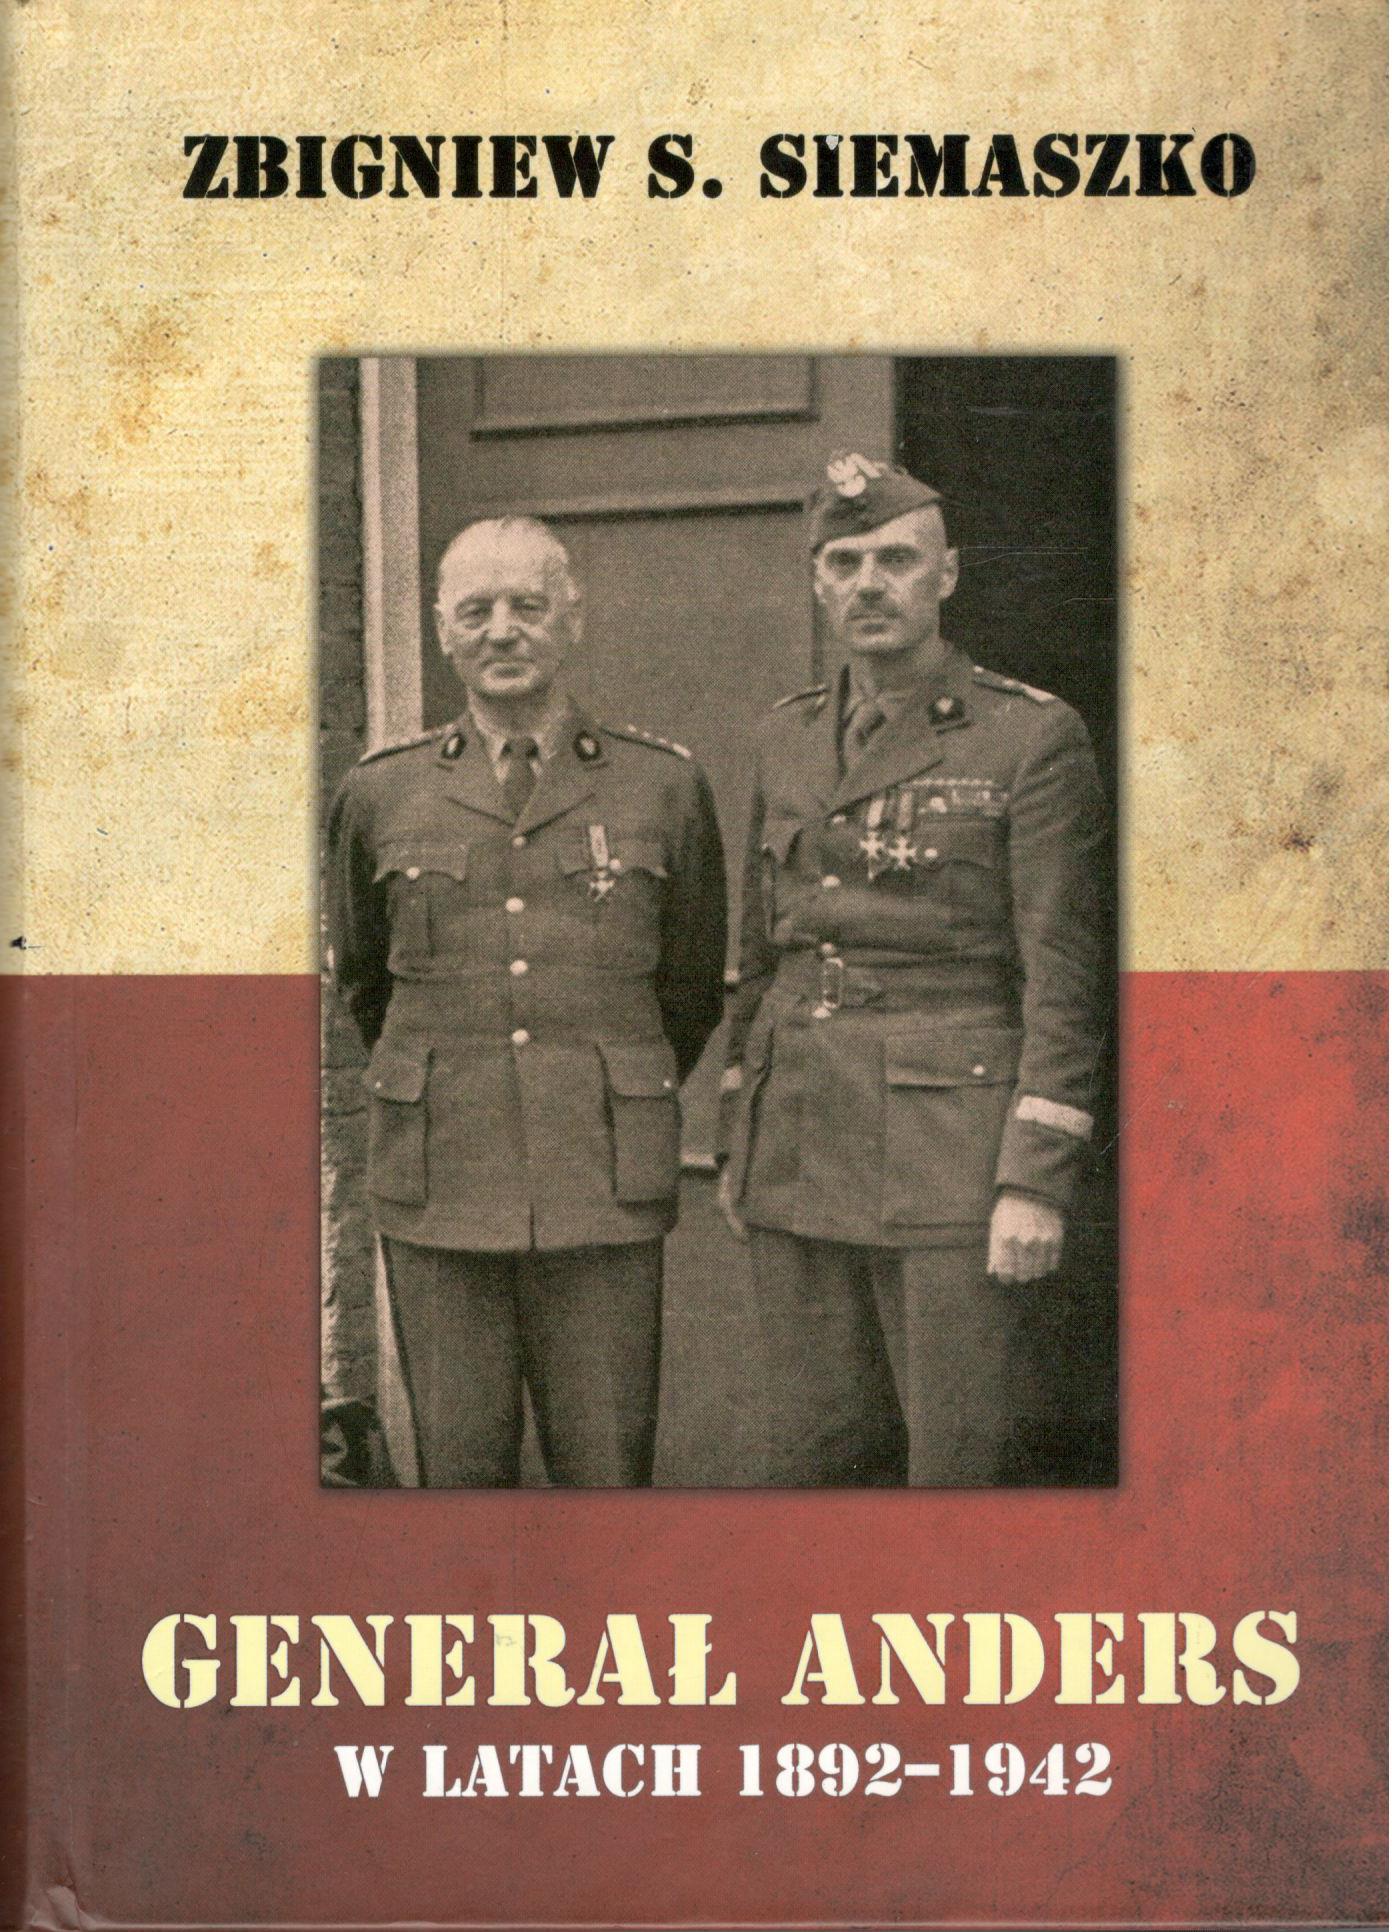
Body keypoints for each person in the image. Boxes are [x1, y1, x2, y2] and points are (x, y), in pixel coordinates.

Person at [718, 453, 1106, 1486]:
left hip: (951, 1157)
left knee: (955, 1466)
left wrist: (1034, 1179)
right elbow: (759, 951)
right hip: (797, 1147)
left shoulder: (1028, 737)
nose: (869, 584)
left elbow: (1063, 978)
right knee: (815, 1461)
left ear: (948, 575)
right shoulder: (786, 735)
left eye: (896, 559)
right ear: (817, 581)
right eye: (844, 562)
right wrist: (739, 1133)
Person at [327, 515, 727, 1487]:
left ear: (572, 620)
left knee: (607, 1477)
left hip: (600, 1187)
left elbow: (689, 988)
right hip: (442, 1187)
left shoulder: (661, 786)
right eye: (476, 611)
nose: (502, 630)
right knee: (461, 1482)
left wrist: (604, 1084)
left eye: (528, 606)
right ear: (441, 630)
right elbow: (368, 983)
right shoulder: (382, 792)